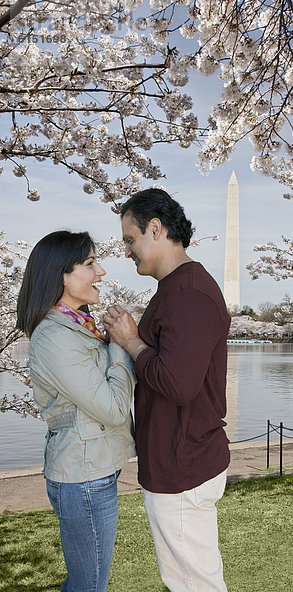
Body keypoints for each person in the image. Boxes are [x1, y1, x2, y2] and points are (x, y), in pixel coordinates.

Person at [103, 188, 231, 592]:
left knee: (195, 585)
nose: (127, 252)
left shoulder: (188, 293)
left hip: (184, 466)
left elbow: (178, 383)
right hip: (175, 461)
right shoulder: (175, 290)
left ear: (155, 229)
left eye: (130, 239)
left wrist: (132, 342)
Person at [16, 230, 136, 592]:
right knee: (89, 586)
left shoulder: (76, 326)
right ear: (61, 275)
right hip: (83, 478)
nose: (101, 271)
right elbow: (114, 409)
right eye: (89, 263)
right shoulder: (55, 337)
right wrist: (123, 344)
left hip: (91, 470)